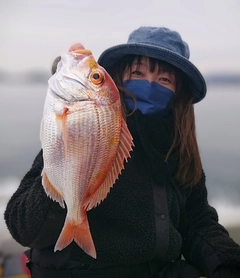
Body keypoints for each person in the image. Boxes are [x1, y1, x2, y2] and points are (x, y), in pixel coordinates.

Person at [4, 26, 240, 278]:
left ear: (177, 92)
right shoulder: (89, 130)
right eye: (138, 72)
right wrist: (66, 176)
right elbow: (23, 228)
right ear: (117, 77)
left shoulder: (178, 149)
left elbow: (198, 221)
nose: (149, 84)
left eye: (164, 79)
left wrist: (227, 262)